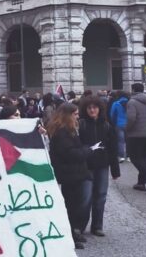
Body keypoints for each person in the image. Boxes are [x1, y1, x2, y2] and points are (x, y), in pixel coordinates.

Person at [47, 103, 101, 250]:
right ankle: (70, 234)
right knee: (71, 206)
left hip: (74, 173)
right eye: (75, 114)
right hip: (70, 173)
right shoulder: (62, 132)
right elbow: (71, 154)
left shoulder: (67, 130)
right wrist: (88, 150)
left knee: (74, 205)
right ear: (68, 115)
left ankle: (73, 232)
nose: (78, 116)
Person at [78, 96, 120, 237]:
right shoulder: (81, 124)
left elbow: (113, 148)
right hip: (86, 165)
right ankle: (80, 226)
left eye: (94, 107)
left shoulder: (107, 125)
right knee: (85, 197)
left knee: (101, 196)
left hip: (102, 165)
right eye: (89, 108)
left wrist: (115, 170)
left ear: (99, 109)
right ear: (85, 109)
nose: (92, 110)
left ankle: (97, 226)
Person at [109, 91, 129, 163]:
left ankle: (121, 157)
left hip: (118, 124)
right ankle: (129, 156)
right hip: (128, 124)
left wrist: (113, 123)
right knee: (128, 140)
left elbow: (112, 114)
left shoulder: (116, 104)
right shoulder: (130, 103)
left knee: (120, 141)